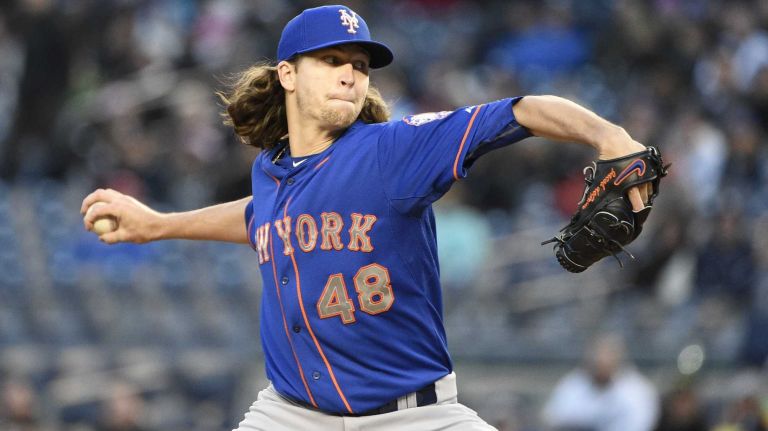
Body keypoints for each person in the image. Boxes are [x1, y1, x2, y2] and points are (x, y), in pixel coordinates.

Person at [82, 5, 652, 430]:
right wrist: (156, 224)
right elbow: (260, 219)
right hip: (291, 416)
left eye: (358, 64)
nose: (350, 74)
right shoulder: (272, 171)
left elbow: (521, 111)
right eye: (331, 61)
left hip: (413, 418)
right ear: (287, 75)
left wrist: (609, 136)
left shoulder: (392, 151)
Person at [542, 334, 659, 431]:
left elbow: (640, 425)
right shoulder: (574, 383)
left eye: (608, 356)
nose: (601, 362)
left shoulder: (637, 389)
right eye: (597, 357)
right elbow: (553, 418)